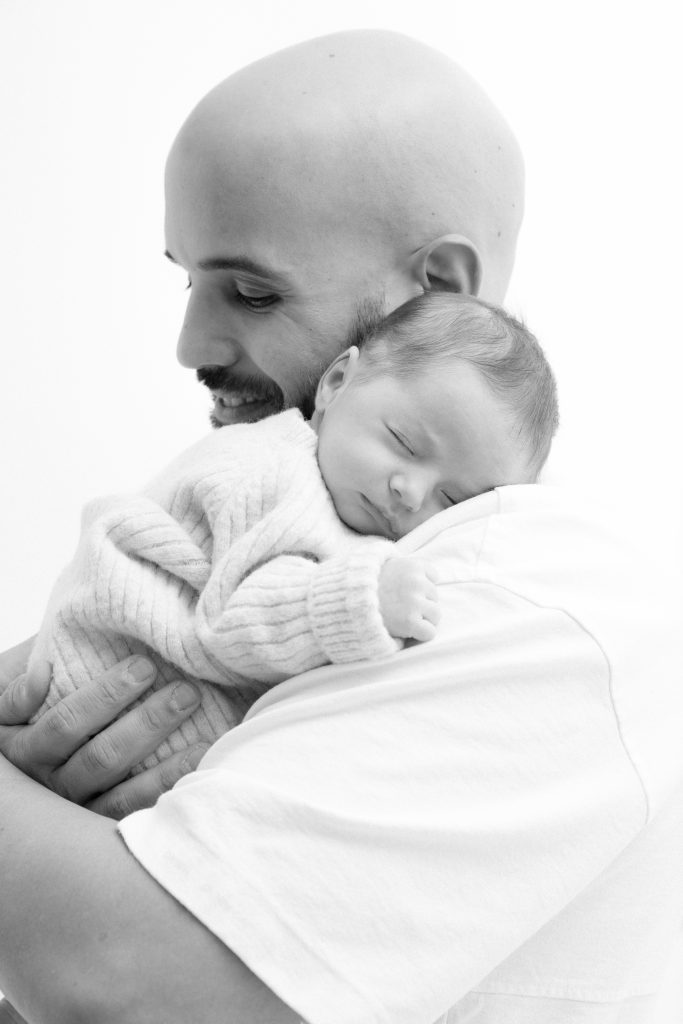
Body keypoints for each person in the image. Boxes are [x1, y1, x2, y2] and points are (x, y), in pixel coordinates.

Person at [0, 30, 681, 1024]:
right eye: (187, 279)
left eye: (252, 290)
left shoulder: (529, 591)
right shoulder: (292, 501)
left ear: (435, 288)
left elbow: (140, 985)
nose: (189, 343)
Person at [30, 293, 557, 772]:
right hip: (101, 682)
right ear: (336, 383)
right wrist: (362, 599)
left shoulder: (352, 504)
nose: (412, 493)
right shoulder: (280, 472)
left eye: (454, 498)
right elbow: (232, 620)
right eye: (403, 441)